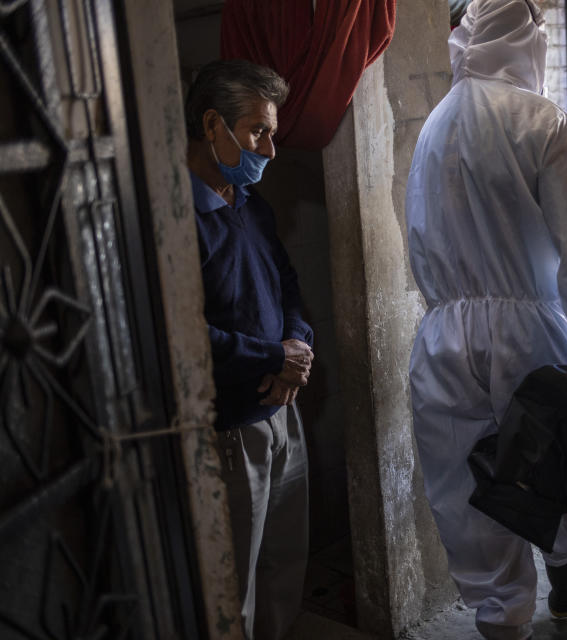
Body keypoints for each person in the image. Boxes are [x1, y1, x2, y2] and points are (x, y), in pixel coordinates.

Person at [405, 2, 567, 639]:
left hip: (443, 337)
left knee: (470, 494)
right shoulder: (541, 121)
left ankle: (503, 623)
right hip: (531, 335)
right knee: (555, 466)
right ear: (527, 42)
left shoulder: (434, 125)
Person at [184, 59, 314, 639]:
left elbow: (289, 287)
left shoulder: (248, 205)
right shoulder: (178, 219)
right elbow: (184, 335)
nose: (270, 149)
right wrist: (271, 360)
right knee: (232, 582)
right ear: (213, 125)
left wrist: (297, 348)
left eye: (271, 132)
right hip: (231, 428)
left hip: (283, 408)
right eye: (258, 131)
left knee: (284, 564)